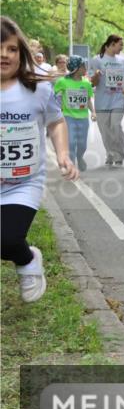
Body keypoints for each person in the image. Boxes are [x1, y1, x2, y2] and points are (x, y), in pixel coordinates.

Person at [1, 17, 78, 302]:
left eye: (11, 49)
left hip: (23, 182)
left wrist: (63, 155)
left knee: (7, 239)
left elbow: (56, 122)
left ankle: (28, 260)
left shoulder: (38, 88)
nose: (4, 55)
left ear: (21, 53)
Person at [90, 34, 124, 166]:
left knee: (115, 126)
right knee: (105, 130)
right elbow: (93, 83)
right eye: (120, 45)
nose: (122, 48)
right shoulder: (97, 60)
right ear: (112, 44)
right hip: (102, 100)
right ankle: (110, 154)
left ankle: (119, 155)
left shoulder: (123, 61)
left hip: (119, 99)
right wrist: (96, 75)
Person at [53, 55, 96, 171]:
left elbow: (88, 99)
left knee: (82, 144)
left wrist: (93, 112)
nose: (85, 69)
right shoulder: (62, 82)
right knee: (71, 143)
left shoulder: (86, 83)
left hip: (83, 117)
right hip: (68, 116)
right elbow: (53, 97)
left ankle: (80, 157)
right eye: (83, 67)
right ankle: (71, 165)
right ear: (76, 68)